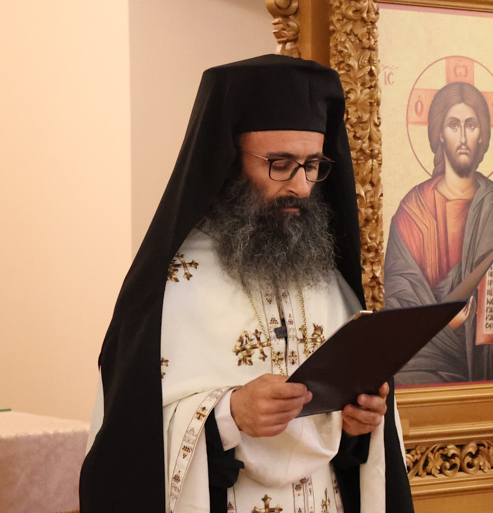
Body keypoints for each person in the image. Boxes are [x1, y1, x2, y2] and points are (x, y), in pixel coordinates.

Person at [79, 55, 414, 513]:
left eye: (312, 165)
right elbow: (126, 447)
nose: (301, 186)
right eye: (280, 164)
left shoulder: (329, 281)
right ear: (229, 160)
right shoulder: (170, 286)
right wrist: (228, 414)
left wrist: (362, 424)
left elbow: (351, 452)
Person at [384, 81, 493, 385]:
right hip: (422, 364)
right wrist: (446, 326)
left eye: (471, 125)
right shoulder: (412, 210)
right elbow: (396, 307)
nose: (464, 137)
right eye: (454, 125)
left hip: (483, 367)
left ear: (482, 135)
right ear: (440, 134)